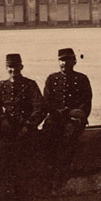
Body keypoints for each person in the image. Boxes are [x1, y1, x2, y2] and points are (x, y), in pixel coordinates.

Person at [0, 53, 45, 201]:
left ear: (21, 67)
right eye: (10, 67)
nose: (13, 70)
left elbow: (40, 108)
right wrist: (2, 120)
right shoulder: (2, 85)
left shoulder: (30, 85)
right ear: (6, 68)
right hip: (6, 126)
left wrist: (28, 125)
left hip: (24, 128)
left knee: (22, 161)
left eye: (16, 67)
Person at [41, 47, 93, 188]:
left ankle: (61, 175)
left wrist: (75, 118)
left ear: (74, 61)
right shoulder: (52, 79)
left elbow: (86, 102)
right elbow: (47, 102)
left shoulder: (82, 79)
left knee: (69, 136)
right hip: (57, 117)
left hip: (75, 119)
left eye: (67, 60)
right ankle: (50, 173)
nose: (64, 63)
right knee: (48, 133)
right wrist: (62, 112)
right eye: (61, 60)